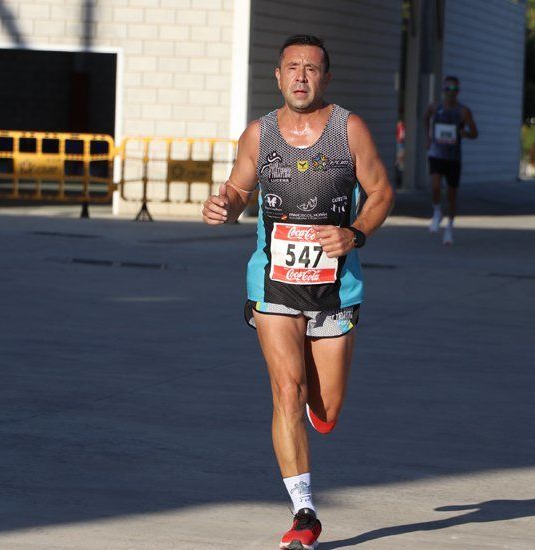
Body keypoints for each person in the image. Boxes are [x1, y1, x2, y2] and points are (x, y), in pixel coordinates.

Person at [202, 34, 393, 550]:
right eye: (293, 67)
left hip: (335, 287)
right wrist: (225, 204)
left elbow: (380, 191)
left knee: (325, 408)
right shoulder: (259, 135)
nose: (302, 76)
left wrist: (354, 233)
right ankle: (304, 512)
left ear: (325, 78)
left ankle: (318, 406)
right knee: (286, 390)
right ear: (278, 76)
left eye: (312, 68)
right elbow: (240, 190)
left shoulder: (348, 129)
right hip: (274, 283)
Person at [423, 75, 478, 245]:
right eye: (448, 89)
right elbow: (425, 119)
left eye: (454, 90)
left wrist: (465, 134)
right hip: (436, 154)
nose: (451, 93)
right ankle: (437, 211)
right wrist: (428, 138)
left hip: (453, 158)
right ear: (443, 90)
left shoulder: (463, 111)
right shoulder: (435, 107)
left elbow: (475, 133)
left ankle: (449, 229)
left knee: (452, 195)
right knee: (435, 186)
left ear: (458, 92)